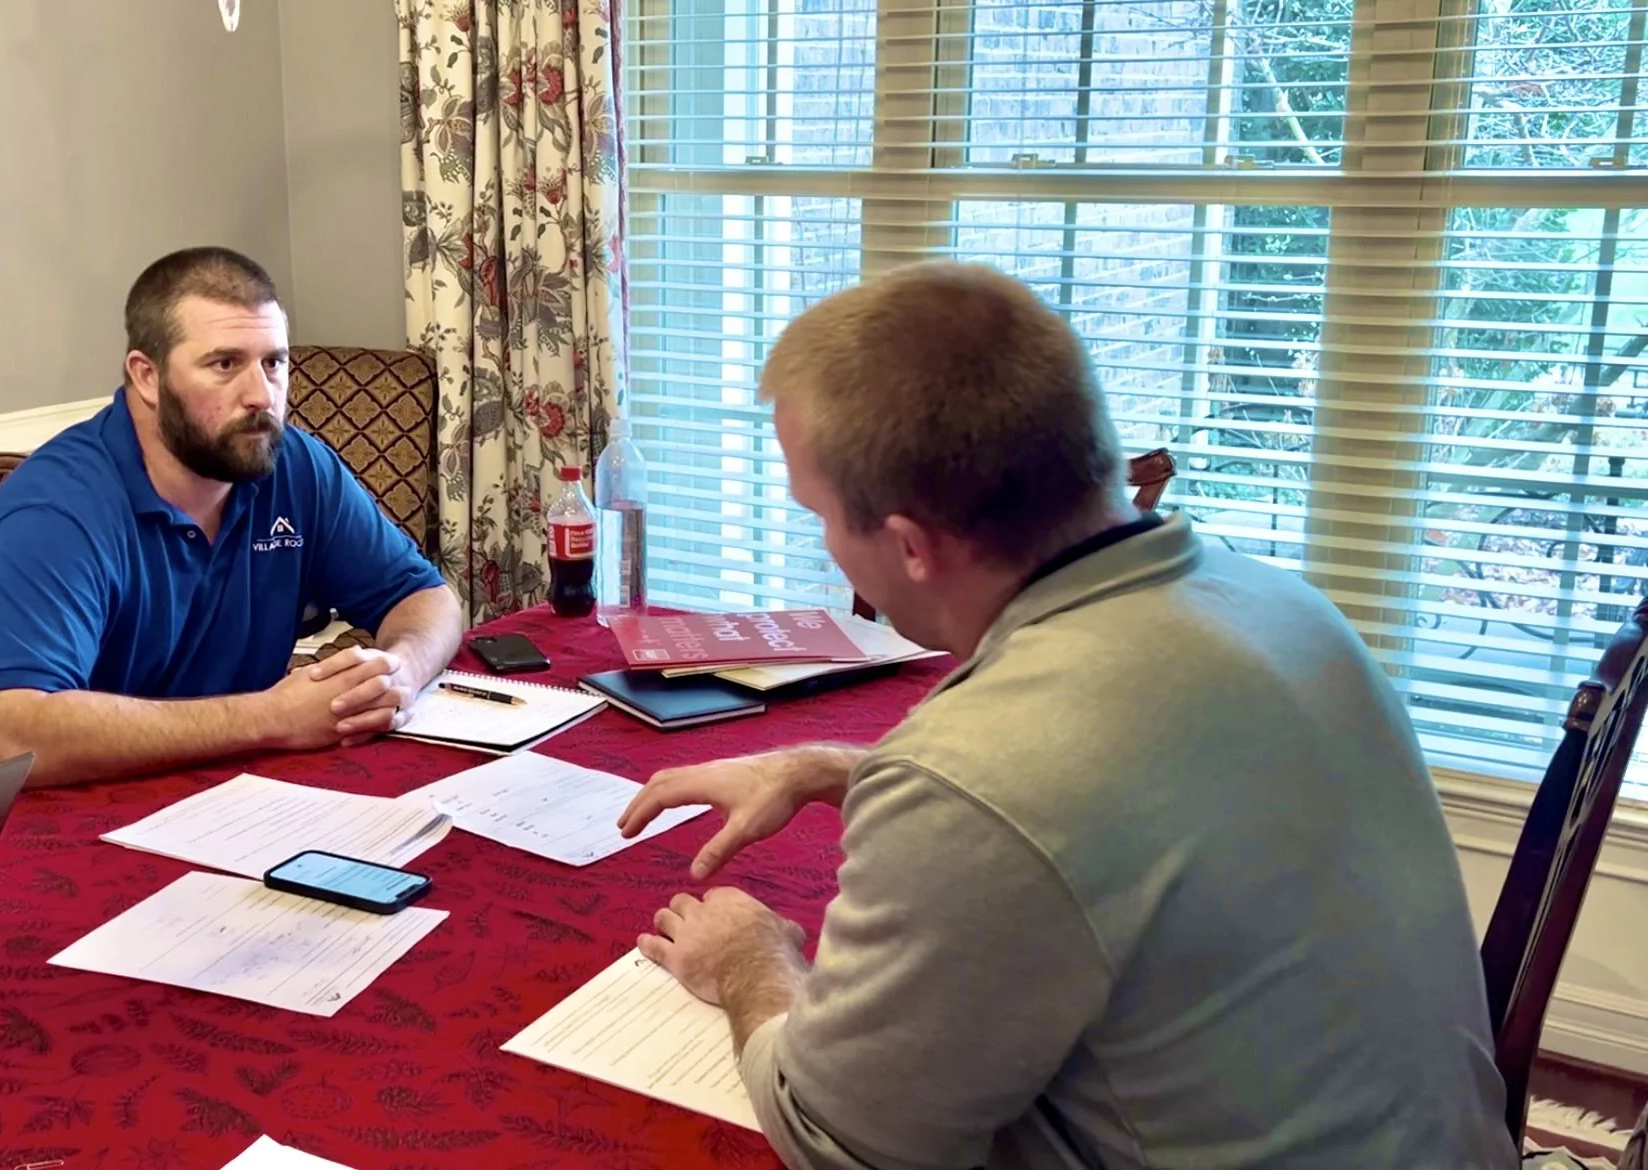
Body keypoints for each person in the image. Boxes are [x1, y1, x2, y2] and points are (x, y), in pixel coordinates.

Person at [618, 262, 1516, 1168]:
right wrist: (828, 766)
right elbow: (1118, 804)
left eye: (818, 515)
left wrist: (749, 960)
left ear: (908, 546)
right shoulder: (1278, 605)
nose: (825, 544)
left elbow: (844, 1137)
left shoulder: (977, 772)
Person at [0, 247, 461, 788]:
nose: (260, 395)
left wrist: (401, 672)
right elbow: (12, 739)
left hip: (209, 799)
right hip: (18, 835)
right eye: (225, 364)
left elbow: (423, 598)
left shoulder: (296, 466)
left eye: (273, 362)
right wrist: (272, 717)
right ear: (147, 377)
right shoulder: (56, 508)